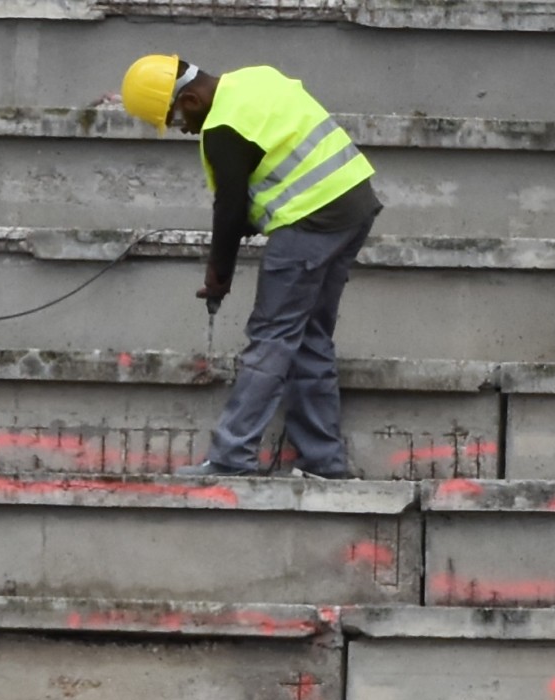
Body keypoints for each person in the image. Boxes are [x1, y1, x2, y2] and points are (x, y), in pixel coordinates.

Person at [120, 55, 382, 478]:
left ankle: (231, 457)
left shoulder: (222, 127)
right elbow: (270, 163)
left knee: (271, 339)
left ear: (189, 99)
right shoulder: (254, 79)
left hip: (310, 221)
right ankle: (325, 463)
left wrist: (218, 275)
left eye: (175, 120)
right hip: (352, 207)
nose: (182, 129)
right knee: (311, 338)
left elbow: (229, 207)